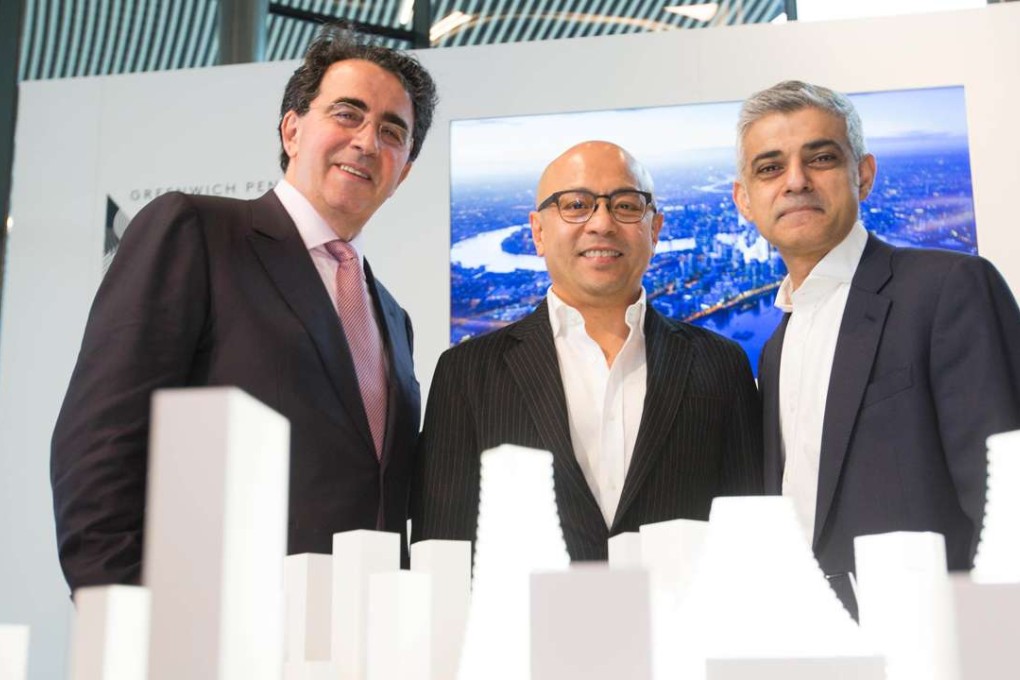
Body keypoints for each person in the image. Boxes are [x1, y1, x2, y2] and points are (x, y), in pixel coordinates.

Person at [50, 25, 438, 592]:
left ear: (402, 172)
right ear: (293, 129)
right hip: (209, 630)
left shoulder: (394, 319)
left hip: (357, 636)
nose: (366, 141)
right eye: (347, 114)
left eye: (391, 131)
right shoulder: (195, 232)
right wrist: (130, 619)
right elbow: (101, 442)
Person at [732, 80, 1020, 613]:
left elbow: (1009, 506)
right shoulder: (775, 348)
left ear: (862, 176)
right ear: (744, 199)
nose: (795, 181)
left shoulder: (949, 289)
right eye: (769, 167)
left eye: (820, 158)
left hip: (942, 642)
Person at [411, 141, 763, 559]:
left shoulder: (721, 364)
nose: (602, 223)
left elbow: (749, 540)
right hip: (525, 624)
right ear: (538, 233)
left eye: (627, 205)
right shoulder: (466, 374)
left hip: (681, 622)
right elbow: (442, 551)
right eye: (576, 205)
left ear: (655, 230)